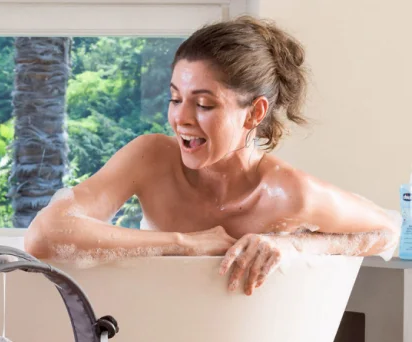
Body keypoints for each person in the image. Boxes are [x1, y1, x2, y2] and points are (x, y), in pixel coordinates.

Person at [24, 16, 401, 295]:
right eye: (175, 99)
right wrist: (185, 244)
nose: (181, 118)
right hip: (151, 332)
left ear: (254, 113)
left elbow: (387, 232)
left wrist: (294, 245)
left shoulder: (288, 193)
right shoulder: (151, 159)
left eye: (204, 104)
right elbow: (44, 235)